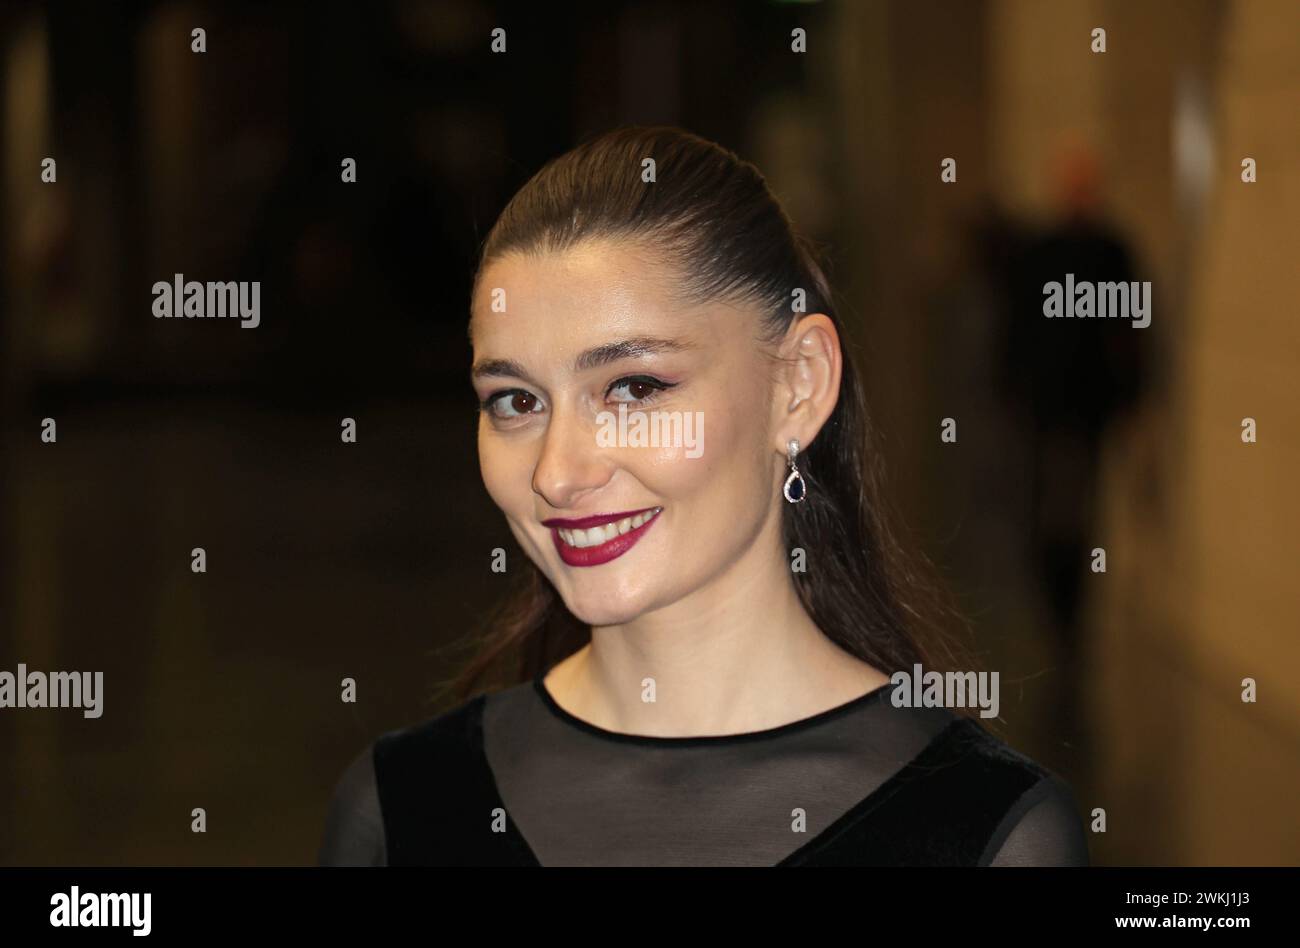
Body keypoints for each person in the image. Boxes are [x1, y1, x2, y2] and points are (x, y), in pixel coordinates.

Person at [318, 126, 1089, 866]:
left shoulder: (988, 832)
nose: (556, 473)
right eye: (516, 402)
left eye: (634, 387)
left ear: (799, 385)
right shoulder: (400, 810)